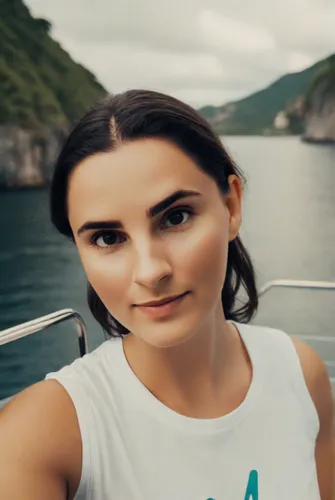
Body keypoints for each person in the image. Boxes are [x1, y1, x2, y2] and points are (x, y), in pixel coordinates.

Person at [0, 89, 333, 500]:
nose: (151, 270)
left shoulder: (302, 375)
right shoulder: (38, 436)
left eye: (175, 217)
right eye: (108, 238)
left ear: (231, 206)